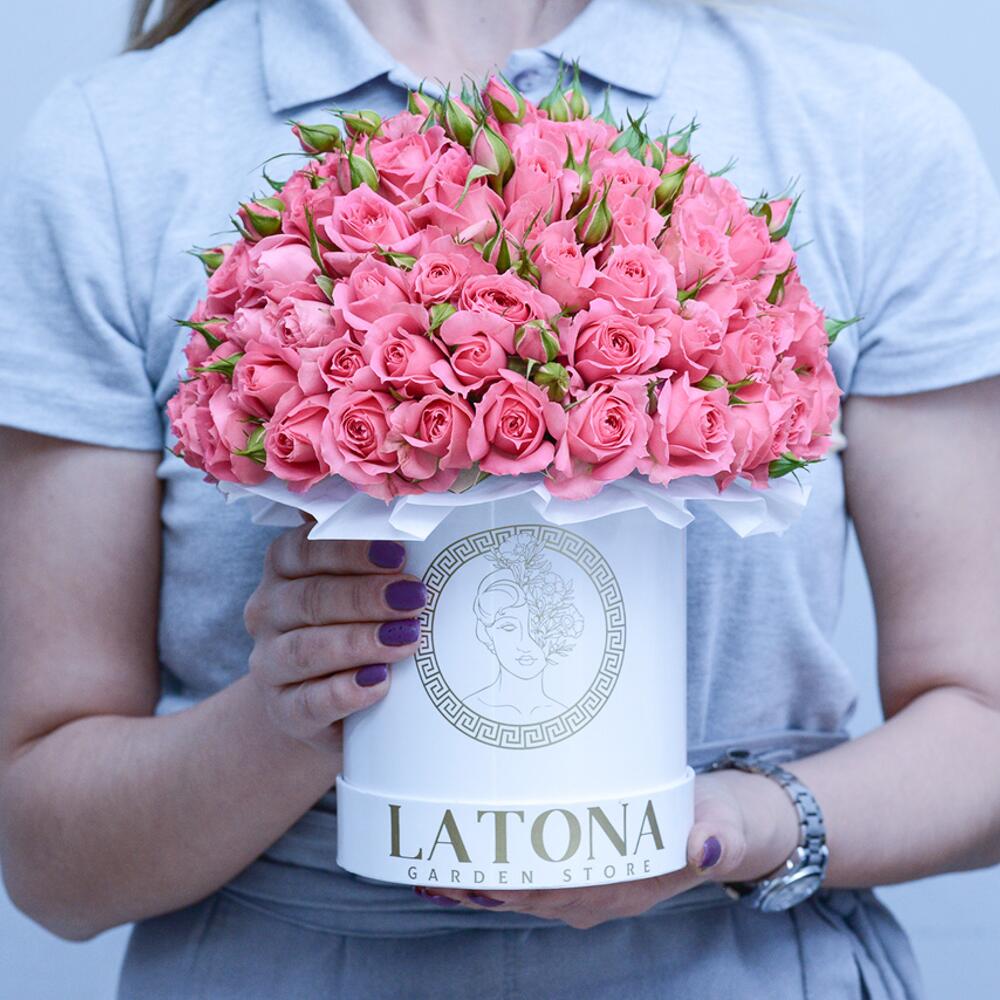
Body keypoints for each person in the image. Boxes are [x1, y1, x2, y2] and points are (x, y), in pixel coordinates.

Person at [1, 1, 998, 997]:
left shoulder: (857, 125)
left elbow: (980, 726)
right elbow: (51, 865)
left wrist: (747, 823)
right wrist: (288, 715)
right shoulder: (114, 149)